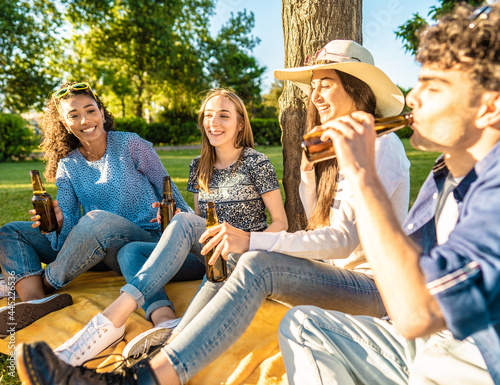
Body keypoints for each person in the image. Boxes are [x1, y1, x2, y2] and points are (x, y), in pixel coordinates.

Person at [14, 40, 412, 384]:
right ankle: (154, 338)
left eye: (327, 84)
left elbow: (341, 240)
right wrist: (310, 172)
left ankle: (120, 340)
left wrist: (247, 238)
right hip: (321, 270)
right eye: (313, 87)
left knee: (253, 261)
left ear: (357, 88)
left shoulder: (382, 145)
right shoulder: (326, 149)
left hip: (370, 284)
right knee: (179, 238)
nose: (316, 95)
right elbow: (319, 226)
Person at [277, 4, 500, 385]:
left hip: (473, 359)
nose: (413, 98)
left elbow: (418, 311)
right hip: (419, 344)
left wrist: (362, 175)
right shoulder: (445, 174)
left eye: (432, 86)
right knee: (302, 325)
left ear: (488, 108)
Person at [50, 88, 288, 365]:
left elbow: (281, 223)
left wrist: (244, 243)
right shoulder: (199, 166)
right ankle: (163, 319)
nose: (214, 122)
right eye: (208, 116)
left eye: (224, 116)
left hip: (242, 254)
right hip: (207, 253)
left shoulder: (256, 162)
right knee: (130, 252)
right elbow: (198, 221)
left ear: (240, 123)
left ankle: (126, 328)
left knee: (200, 306)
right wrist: (174, 218)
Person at [0, 82, 190, 337]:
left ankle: (47, 282)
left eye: (90, 110)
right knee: (11, 231)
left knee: (95, 221)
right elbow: (66, 235)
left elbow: (171, 193)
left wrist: (182, 222)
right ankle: (34, 302)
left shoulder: (131, 145)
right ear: (65, 124)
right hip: (94, 247)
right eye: (74, 115)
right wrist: (56, 224)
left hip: (145, 240)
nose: (85, 120)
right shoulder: (68, 165)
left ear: (102, 112)